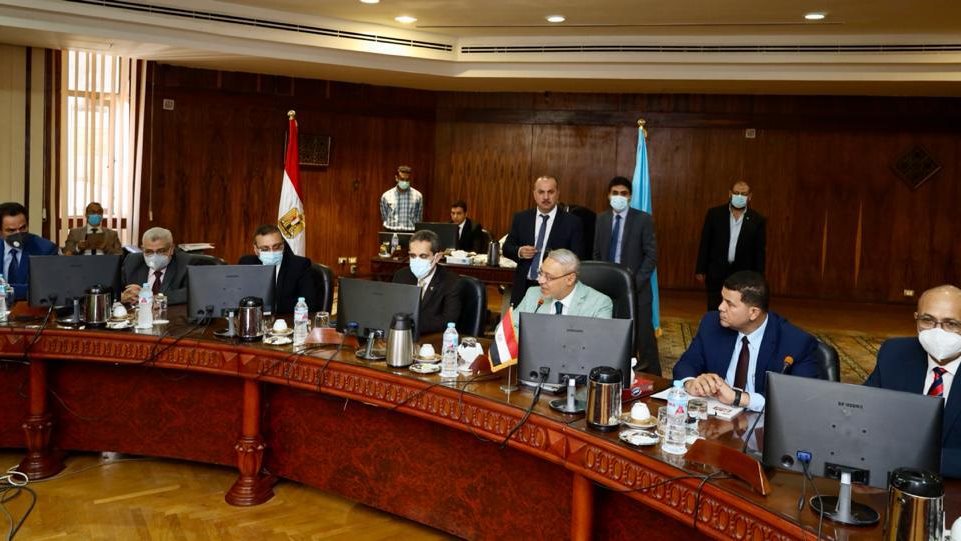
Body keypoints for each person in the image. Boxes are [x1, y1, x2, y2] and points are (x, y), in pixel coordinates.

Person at [672, 271, 820, 411]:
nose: (720, 307)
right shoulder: (711, 323)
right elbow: (686, 363)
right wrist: (691, 383)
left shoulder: (795, 343)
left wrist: (738, 398)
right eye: (722, 299)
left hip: (762, 423)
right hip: (716, 418)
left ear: (753, 312)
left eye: (730, 304)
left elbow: (802, 398)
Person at [864, 285, 961, 477]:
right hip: (893, 481)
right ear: (916, 318)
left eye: (951, 323)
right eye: (927, 320)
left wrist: (909, 460)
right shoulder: (895, 353)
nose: (937, 332)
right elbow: (864, 416)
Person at [592, 176, 660, 375]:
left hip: (637, 288)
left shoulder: (643, 219)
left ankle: (653, 378)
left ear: (630, 197)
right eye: (615, 193)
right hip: (608, 289)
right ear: (608, 195)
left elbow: (651, 256)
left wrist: (635, 283)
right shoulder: (601, 219)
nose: (619, 197)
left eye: (624, 193)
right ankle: (615, 372)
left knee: (644, 337)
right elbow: (596, 253)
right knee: (612, 333)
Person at [503, 176, 584, 307]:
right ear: (534, 194)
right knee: (519, 319)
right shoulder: (521, 218)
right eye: (541, 192)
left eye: (550, 192)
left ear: (558, 194)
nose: (546, 197)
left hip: (554, 287)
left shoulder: (572, 222)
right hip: (524, 285)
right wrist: (520, 251)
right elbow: (507, 248)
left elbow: (576, 258)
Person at [695, 180, 766, 312]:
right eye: (736, 193)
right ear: (730, 194)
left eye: (743, 194)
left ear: (750, 196)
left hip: (742, 273)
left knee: (738, 309)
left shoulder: (757, 220)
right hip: (716, 271)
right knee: (714, 308)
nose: (739, 196)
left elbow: (759, 251)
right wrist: (700, 269)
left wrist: (758, 277)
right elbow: (705, 243)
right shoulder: (714, 214)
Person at [238, 224, 320, 314]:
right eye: (265, 249)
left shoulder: (300, 266)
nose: (272, 252)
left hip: (285, 320)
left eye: (276, 247)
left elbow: (309, 304)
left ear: (283, 245)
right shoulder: (246, 263)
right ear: (256, 249)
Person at [392, 229, 461, 335]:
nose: (416, 260)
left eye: (423, 256)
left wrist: (410, 323)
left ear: (437, 257)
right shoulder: (401, 276)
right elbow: (392, 309)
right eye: (413, 256)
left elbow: (448, 321)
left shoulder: (451, 281)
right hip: (402, 335)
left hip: (432, 339)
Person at [514, 249, 612, 319]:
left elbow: (599, 340)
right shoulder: (532, 294)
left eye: (549, 277)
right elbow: (509, 329)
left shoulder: (599, 303)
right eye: (541, 273)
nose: (540, 281)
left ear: (570, 279)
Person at [0, 202, 58, 301]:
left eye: (22, 228)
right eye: (11, 230)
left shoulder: (45, 249)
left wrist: (5, 290)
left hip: (29, 308)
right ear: (1, 232)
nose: (18, 234)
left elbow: (46, 288)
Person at [120, 227, 192, 305]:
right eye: (149, 251)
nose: (154, 256)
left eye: (161, 251)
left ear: (171, 249)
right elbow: (115, 289)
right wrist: (123, 297)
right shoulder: (132, 261)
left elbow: (189, 293)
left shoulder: (185, 263)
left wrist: (151, 298)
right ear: (143, 249)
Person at [380, 165, 423, 231]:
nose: (405, 182)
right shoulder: (386, 196)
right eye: (402, 179)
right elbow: (384, 217)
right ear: (396, 178)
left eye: (407, 180)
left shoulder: (418, 196)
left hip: (411, 231)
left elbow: (419, 218)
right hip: (391, 231)